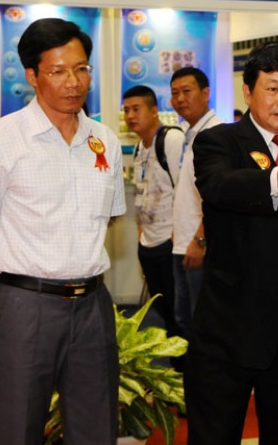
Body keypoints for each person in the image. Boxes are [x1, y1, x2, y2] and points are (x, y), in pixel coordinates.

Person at [0, 18, 126, 444]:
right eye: (59, 71)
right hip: (25, 305)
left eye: (82, 69)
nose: (74, 82)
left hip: (93, 306)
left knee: (97, 430)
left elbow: (107, 220)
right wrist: (6, 296)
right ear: (32, 76)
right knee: (18, 429)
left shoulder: (104, 140)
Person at [185, 41, 278, 444]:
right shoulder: (218, 142)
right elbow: (221, 186)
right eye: (272, 88)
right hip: (227, 331)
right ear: (248, 91)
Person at [122, 85, 184, 354]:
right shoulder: (140, 148)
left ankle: (186, 367)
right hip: (148, 242)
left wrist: (181, 236)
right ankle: (176, 363)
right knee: (163, 309)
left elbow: (187, 189)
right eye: (126, 110)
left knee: (180, 311)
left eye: (136, 109)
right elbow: (143, 191)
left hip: (171, 242)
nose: (130, 116)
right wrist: (140, 234)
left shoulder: (171, 139)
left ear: (154, 110)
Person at [170, 67, 222, 338]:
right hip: (184, 241)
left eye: (187, 91)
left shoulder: (216, 134)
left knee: (201, 323)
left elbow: (217, 197)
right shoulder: (189, 133)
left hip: (201, 246)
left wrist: (200, 239)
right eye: (175, 93)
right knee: (185, 320)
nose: (180, 99)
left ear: (206, 93)